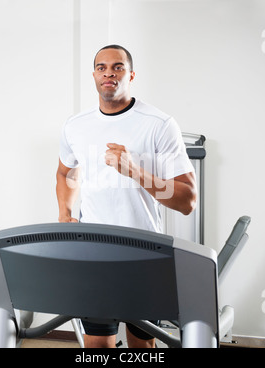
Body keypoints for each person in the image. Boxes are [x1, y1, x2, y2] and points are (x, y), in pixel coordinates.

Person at [56, 45, 197, 348]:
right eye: (102, 67)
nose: (109, 72)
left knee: (141, 345)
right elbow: (66, 173)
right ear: (94, 75)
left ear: (131, 75)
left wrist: (136, 172)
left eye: (118, 67)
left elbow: (187, 200)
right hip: (94, 253)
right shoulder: (75, 126)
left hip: (144, 253)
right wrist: (65, 213)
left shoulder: (159, 124)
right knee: (96, 345)